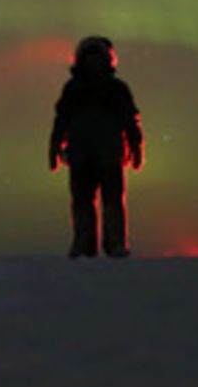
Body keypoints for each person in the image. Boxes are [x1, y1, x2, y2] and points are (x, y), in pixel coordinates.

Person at [47, 35, 144, 258]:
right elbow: (61, 119)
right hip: (82, 155)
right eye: (90, 58)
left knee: (111, 201)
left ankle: (114, 244)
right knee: (84, 202)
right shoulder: (74, 89)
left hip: (107, 155)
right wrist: (54, 146)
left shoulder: (116, 89)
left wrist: (136, 147)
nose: (94, 63)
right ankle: (85, 244)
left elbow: (129, 120)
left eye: (97, 58)